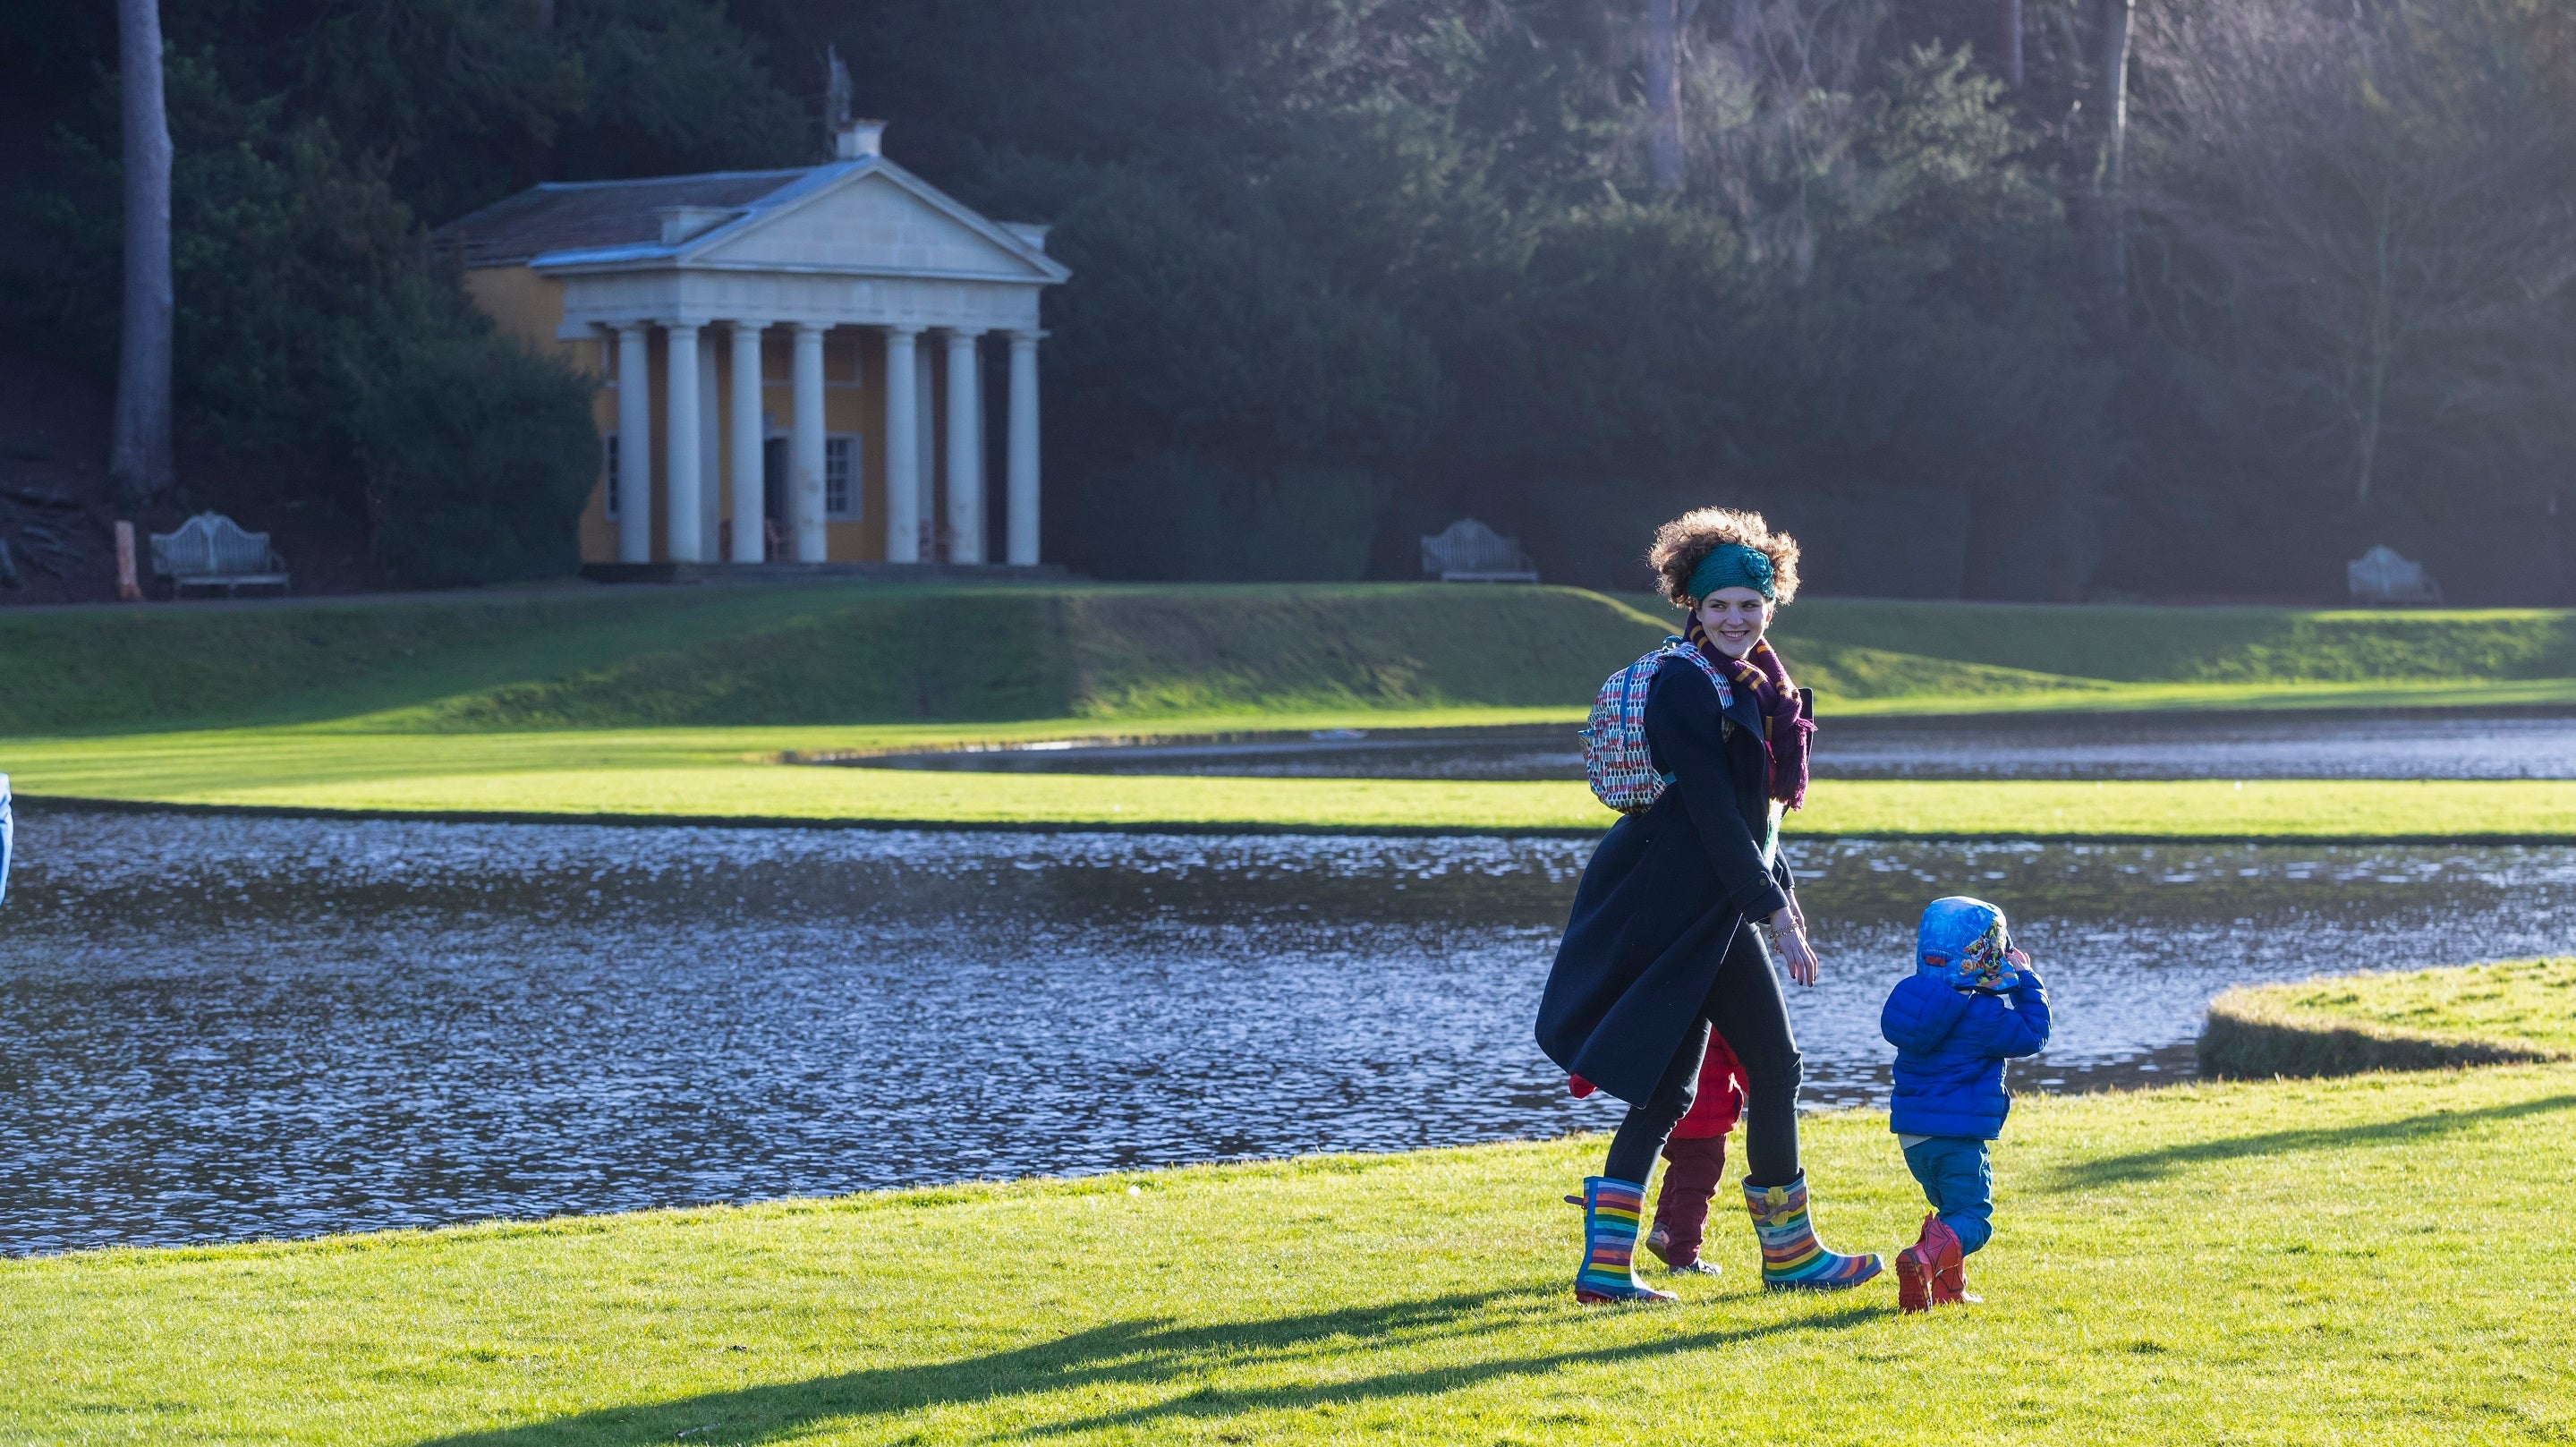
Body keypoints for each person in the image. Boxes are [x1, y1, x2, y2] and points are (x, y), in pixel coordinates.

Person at [1539, 507, 1882, 1305]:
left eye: (1749, 604)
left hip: (1704, 895)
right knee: (1774, 1064)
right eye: (1718, 604)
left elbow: (1754, 819)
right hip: (1677, 901)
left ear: (1772, 604)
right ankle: (1791, 1255)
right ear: (1690, 605)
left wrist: (1779, 895)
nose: (1734, 618)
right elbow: (1712, 815)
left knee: (1670, 1090)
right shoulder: (1683, 685)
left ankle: (1604, 1267)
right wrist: (1775, 915)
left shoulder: (1759, 686)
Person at [1880, 895, 2053, 1313]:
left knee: (1951, 1210)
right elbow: (2034, 1034)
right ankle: (1922, 1257)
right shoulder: (1982, 1016)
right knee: (1974, 1217)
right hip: (1957, 1139)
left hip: (1913, 1139)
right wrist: (2026, 978)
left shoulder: (1915, 1004)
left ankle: (1944, 1289)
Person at [1568, 1027, 1743, 1276]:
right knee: (1696, 1187)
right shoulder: (1719, 1012)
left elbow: (1619, 1039)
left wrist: (1583, 1077)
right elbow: (1743, 1057)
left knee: (1679, 1173)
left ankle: (1664, 1229)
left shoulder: (1665, 1001)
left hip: (1666, 1116)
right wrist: (1766, 1090)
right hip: (1707, 1119)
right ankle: (1684, 1259)